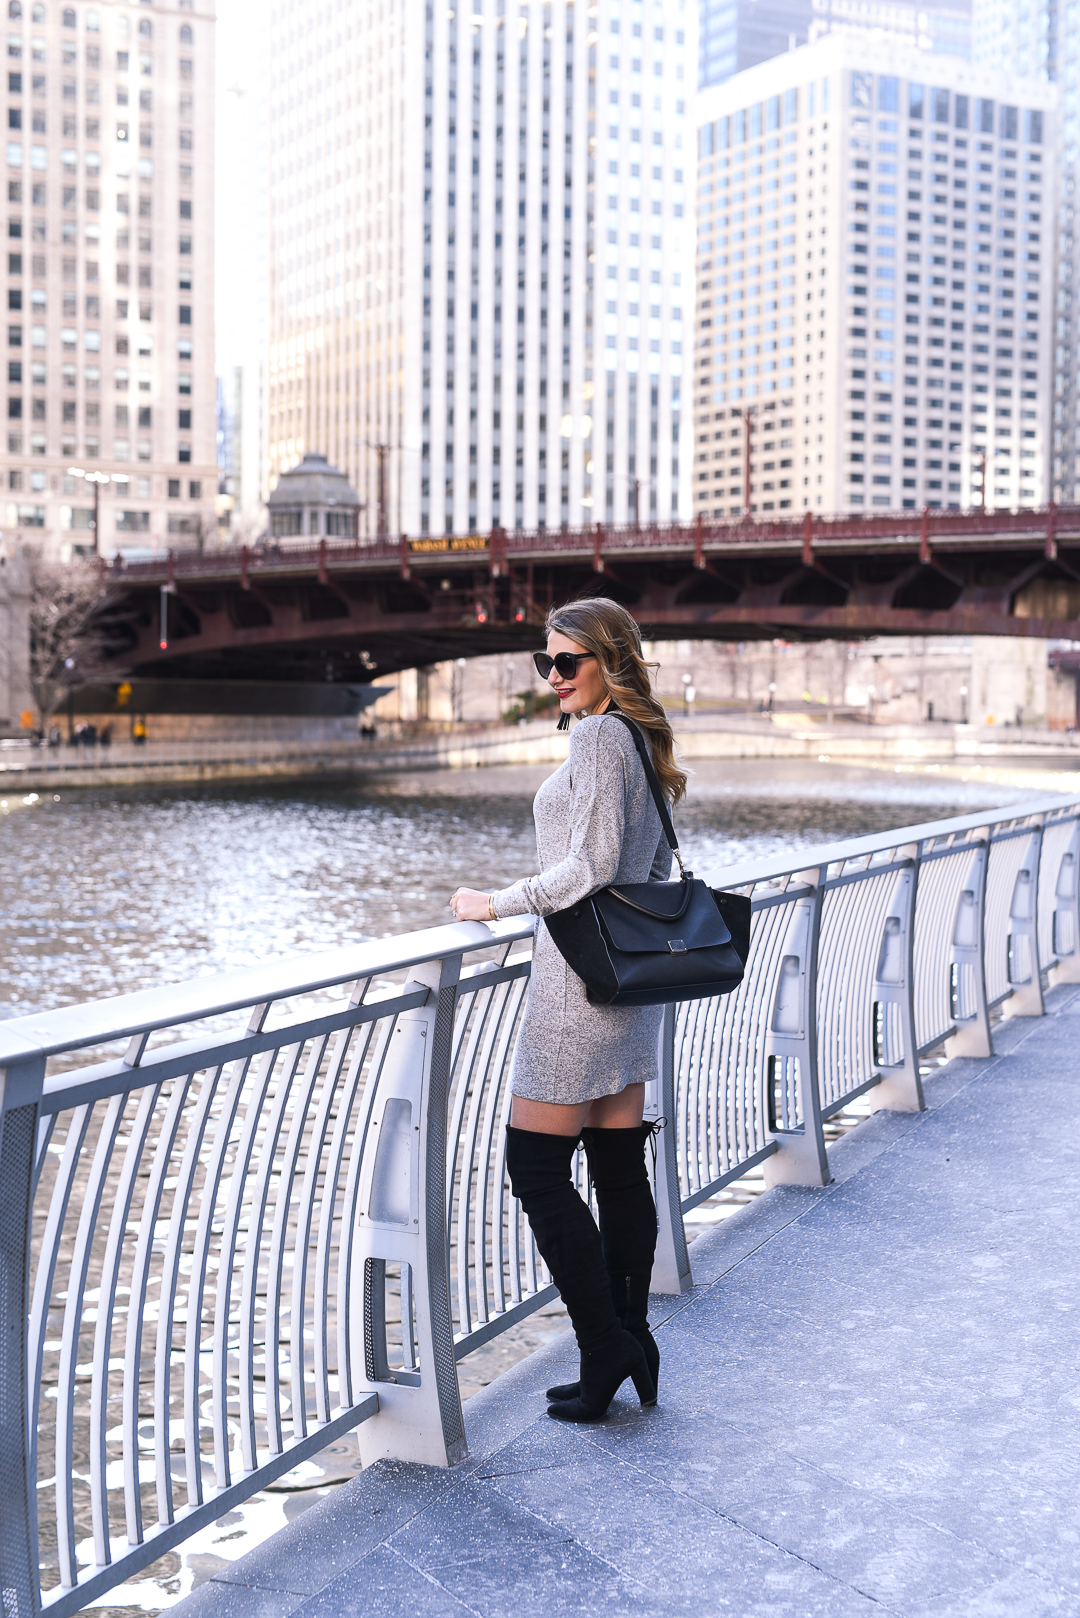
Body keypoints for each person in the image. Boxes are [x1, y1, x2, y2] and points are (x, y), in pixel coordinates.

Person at [450, 597, 687, 1423]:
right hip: (629, 984)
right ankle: (632, 1336)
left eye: (566, 663)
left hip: (577, 984)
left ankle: (604, 1344)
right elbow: (646, 861)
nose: (552, 677)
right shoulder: (642, 739)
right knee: (618, 1169)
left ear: (608, 661)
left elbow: (582, 868)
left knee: (537, 1170)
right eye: (543, 663)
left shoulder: (596, 736)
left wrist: (495, 903)